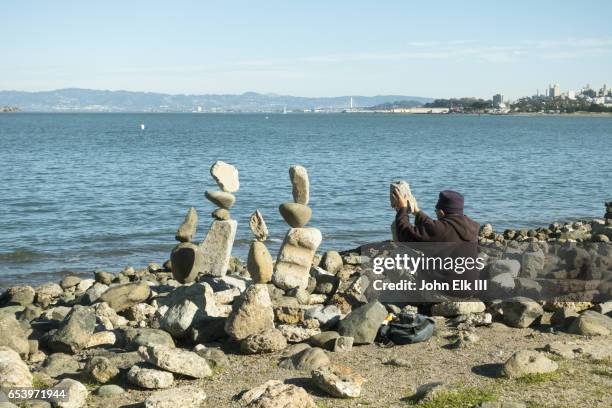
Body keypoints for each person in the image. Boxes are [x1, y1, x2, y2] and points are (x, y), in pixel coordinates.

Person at [392, 189, 479, 244]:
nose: (435, 213)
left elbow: (405, 234)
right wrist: (417, 212)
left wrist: (402, 209)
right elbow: (434, 228)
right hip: (468, 272)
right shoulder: (473, 226)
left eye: (436, 211)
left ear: (441, 212)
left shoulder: (442, 230)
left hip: (445, 273)